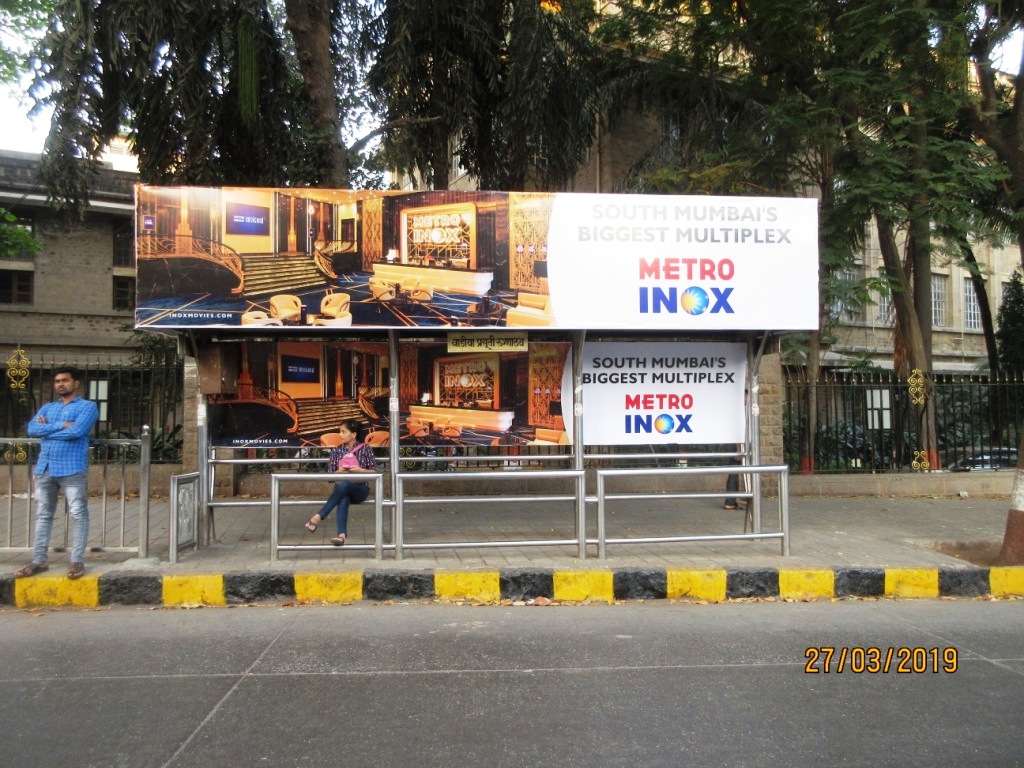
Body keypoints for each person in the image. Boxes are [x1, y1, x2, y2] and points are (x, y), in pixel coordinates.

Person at [14, 366, 99, 579]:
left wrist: (49, 431)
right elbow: (31, 430)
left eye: (65, 380)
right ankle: (39, 560)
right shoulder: (48, 408)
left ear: (76, 383)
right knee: (43, 514)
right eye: (57, 381)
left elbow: (78, 432)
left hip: (72, 468)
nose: (60, 384)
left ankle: (77, 561)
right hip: (45, 468)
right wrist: (61, 425)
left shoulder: (87, 407)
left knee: (78, 514)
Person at [305, 419, 378, 546]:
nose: (340, 435)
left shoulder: (366, 449)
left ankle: (318, 517)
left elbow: (375, 472)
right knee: (343, 495)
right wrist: (338, 472)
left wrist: (361, 470)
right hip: (341, 490)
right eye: (340, 432)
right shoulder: (336, 451)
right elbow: (330, 478)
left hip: (360, 490)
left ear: (353, 434)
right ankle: (341, 536)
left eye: (344, 432)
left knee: (344, 485)